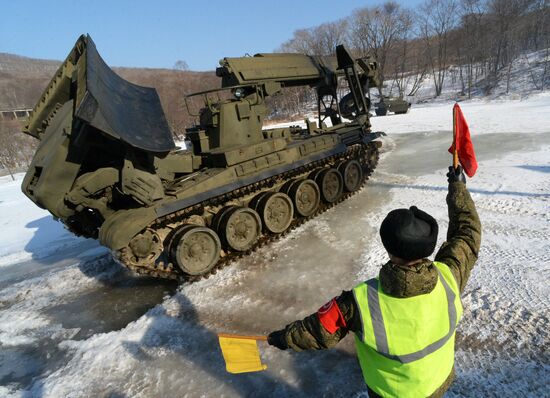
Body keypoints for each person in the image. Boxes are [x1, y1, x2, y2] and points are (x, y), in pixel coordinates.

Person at [268, 166, 482, 398]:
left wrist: (281, 337)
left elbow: (316, 332)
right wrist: (458, 188)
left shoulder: (359, 302)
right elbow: (467, 234)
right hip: (437, 383)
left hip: (390, 393)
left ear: (389, 249)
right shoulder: (449, 276)